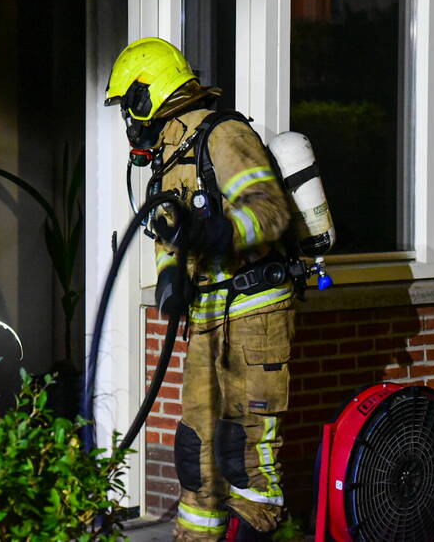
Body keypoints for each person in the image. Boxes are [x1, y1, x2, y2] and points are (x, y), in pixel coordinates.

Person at [105, 37, 296, 541]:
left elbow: (271, 212)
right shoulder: (171, 158)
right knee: (197, 452)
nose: (129, 120)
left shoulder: (222, 136)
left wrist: (219, 232)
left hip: (255, 314)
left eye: (130, 105)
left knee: (244, 454)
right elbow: (169, 234)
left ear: (150, 96)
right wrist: (171, 276)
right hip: (209, 316)